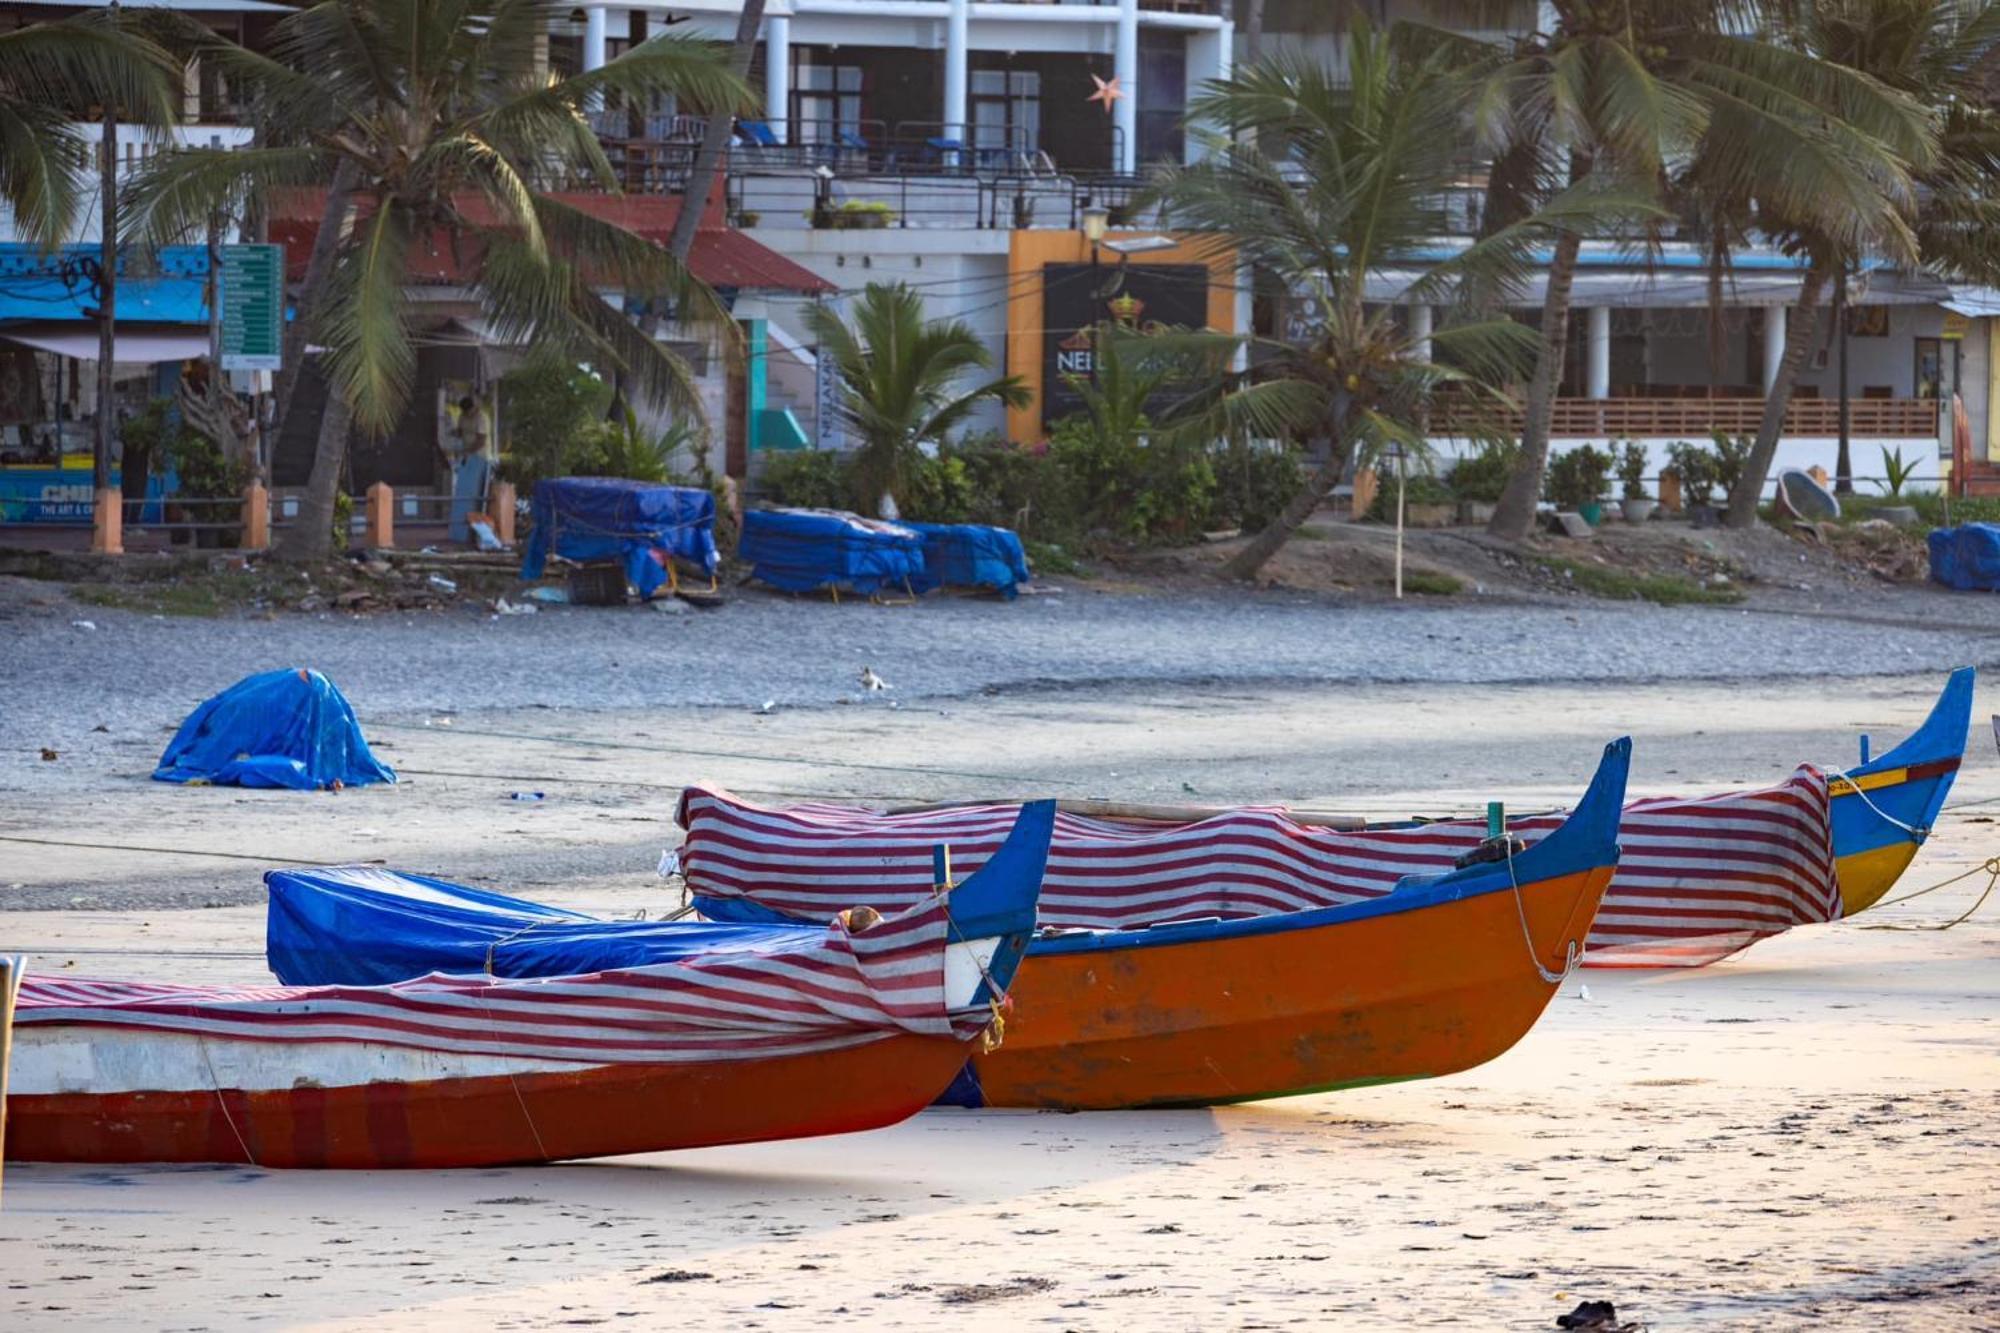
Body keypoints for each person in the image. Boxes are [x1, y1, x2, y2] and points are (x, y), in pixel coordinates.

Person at [446, 394, 492, 543]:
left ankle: (474, 527)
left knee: (474, 492)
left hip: (479, 456)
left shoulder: (481, 418)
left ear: (474, 408)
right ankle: (459, 529)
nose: (466, 415)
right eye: (464, 413)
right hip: (466, 456)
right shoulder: (463, 416)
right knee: (463, 491)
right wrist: (452, 433)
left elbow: (481, 440)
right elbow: (460, 431)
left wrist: (468, 452)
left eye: (468, 412)